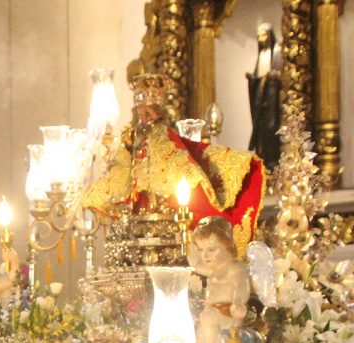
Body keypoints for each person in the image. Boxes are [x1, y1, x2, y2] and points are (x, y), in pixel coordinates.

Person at [82, 73, 265, 252]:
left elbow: (185, 159)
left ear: (156, 110)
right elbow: (121, 166)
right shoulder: (132, 137)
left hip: (168, 206)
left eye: (148, 111)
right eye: (141, 110)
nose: (144, 115)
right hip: (139, 206)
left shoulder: (166, 137)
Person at [188, 216, 251, 343]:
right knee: (199, 328)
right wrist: (185, 237)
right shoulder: (212, 269)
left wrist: (238, 302)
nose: (205, 255)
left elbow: (242, 285)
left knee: (207, 317)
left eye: (211, 249)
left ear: (227, 246)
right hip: (213, 312)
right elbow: (195, 263)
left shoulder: (233, 268)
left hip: (229, 311)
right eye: (201, 249)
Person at [247, 22, 282, 169]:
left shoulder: (277, 52)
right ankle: (264, 159)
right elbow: (258, 76)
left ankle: (273, 160)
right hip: (260, 97)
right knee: (261, 129)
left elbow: (280, 73)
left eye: (263, 35)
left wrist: (273, 75)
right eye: (259, 36)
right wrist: (252, 79)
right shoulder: (261, 54)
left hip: (272, 96)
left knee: (271, 126)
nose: (261, 39)